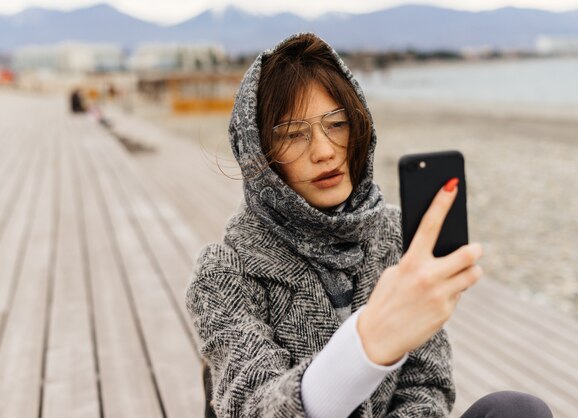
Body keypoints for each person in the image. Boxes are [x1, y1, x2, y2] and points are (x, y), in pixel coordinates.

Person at [185, 33, 553, 418]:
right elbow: (253, 406)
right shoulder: (225, 271)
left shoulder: (392, 234)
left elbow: (427, 385)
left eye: (338, 124)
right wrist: (370, 341)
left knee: (517, 409)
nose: (324, 150)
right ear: (258, 151)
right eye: (294, 134)